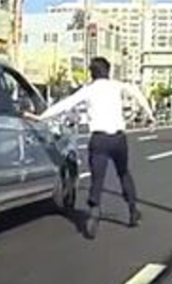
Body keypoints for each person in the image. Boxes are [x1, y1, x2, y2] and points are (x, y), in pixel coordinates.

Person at [30, 57, 155, 238]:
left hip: (99, 139)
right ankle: (133, 209)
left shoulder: (89, 90)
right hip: (119, 139)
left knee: (98, 178)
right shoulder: (117, 86)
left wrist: (41, 117)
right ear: (108, 71)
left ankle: (94, 210)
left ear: (92, 73)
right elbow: (137, 93)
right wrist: (150, 115)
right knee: (123, 173)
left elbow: (66, 104)